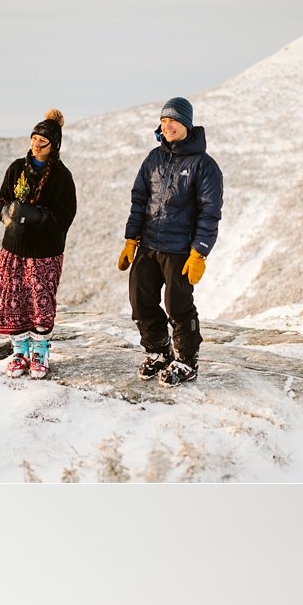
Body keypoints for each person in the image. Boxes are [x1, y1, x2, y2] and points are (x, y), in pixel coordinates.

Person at [117, 96, 223, 387]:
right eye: (163, 121)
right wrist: (130, 239)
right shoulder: (154, 158)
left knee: (178, 306)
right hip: (149, 244)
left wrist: (199, 252)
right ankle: (158, 350)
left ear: (186, 123)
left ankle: (187, 360)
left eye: (173, 120)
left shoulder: (204, 165)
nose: (167, 126)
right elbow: (139, 199)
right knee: (141, 300)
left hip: (180, 249)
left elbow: (209, 212)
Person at [0, 110, 77, 380]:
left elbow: (65, 217)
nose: (36, 145)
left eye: (43, 142)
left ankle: (40, 351)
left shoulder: (62, 177)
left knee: (40, 302)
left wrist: (34, 215)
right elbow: (0, 200)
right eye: (34, 139)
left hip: (45, 252)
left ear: (55, 146)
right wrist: (7, 215)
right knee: (14, 299)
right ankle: (19, 351)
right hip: (14, 247)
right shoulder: (16, 168)